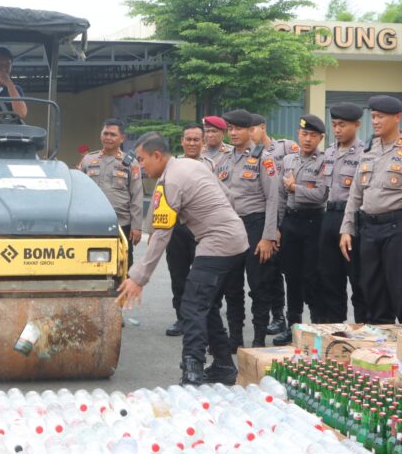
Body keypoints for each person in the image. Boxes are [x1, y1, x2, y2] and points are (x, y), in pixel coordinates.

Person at [116, 132, 249, 386]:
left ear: (157, 155)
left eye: (143, 160)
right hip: (236, 237)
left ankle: (192, 371)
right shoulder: (191, 165)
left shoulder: (169, 183)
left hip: (217, 243)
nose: (141, 167)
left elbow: (160, 235)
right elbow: (229, 196)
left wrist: (138, 277)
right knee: (206, 305)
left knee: (192, 305)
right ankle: (222, 366)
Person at [340, 95, 402, 325]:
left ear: (397, 117)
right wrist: (346, 228)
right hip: (369, 230)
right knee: (374, 294)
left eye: (380, 117)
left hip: (398, 230)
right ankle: (385, 356)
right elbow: (355, 194)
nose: (375, 121)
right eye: (373, 117)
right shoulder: (368, 150)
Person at [215, 110, 280, 350]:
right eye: (230, 128)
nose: (233, 133)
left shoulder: (264, 158)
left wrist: (268, 237)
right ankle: (234, 339)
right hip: (231, 228)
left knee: (259, 286)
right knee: (231, 287)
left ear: (249, 130)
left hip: (256, 226)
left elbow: (273, 198)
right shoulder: (223, 160)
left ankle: (258, 339)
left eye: (238, 128)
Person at [273, 115, 328, 345]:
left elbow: (321, 194)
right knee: (292, 277)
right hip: (291, 223)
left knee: (312, 277)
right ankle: (293, 328)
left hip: (314, 223)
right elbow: (280, 195)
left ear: (320, 138)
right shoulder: (288, 160)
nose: (308, 139)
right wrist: (277, 227)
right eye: (304, 134)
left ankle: (316, 328)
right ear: (298, 134)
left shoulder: (324, 162)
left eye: (313, 135)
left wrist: (295, 187)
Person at [250, 114, 300, 336]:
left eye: (253, 129)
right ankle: (277, 315)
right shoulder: (249, 156)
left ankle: (293, 320)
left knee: (292, 271)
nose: (249, 134)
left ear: (262, 127)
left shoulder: (286, 147)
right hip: (270, 218)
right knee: (271, 271)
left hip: (292, 214)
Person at [318, 103, 367, 323]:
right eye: (334, 125)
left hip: (353, 220)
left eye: (342, 125)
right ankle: (334, 328)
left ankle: (362, 328)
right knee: (329, 277)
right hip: (329, 217)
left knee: (358, 279)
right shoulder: (328, 152)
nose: (337, 129)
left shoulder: (365, 153)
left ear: (356, 125)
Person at [165, 123, 215, 337]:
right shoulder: (172, 165)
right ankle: (181, 318)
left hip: (202, 229)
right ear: (182, 141)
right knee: (178, 275)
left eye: (196, 139)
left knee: (202, 278)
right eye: (188, 139)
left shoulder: (212, 165)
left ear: (203, 142)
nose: (192, 143)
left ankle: (203, 318)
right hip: (177, 228)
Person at [78, 119, 143, 267]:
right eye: (105, 133)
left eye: (112, 134)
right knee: (88, 262)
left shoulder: (131, 163)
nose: (108, 137)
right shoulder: (88, 160)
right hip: (91, 222)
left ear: (122, 138)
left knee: (122, 264)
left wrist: (137, 226)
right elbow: (79, 191)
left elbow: (137, 195)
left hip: (120, 223)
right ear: (101, 136)